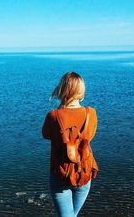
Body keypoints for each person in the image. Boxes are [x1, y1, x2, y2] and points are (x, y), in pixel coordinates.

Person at [42, 71, 98, 217]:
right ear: (81, 90)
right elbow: (90, 135)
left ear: (62, 89)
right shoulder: (91, 113)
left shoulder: (54, 116)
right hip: (84, 173)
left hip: (60, 174)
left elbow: (46, 135)